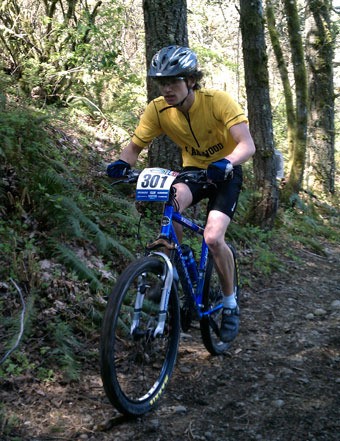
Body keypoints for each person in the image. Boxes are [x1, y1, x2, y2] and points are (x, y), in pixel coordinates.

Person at [107, 45, 255, 343]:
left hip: (226, 172)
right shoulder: (158, 110)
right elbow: (135, 147)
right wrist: (123, 163)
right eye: (161, 82)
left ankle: (229, 304)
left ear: (190, 80)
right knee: (171, 198)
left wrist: (227, 161)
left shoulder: (218, 102)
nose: (166, 89)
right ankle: (170, 266)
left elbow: (247, 145)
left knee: (213, 238)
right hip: (194, 173)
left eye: (173, 81)